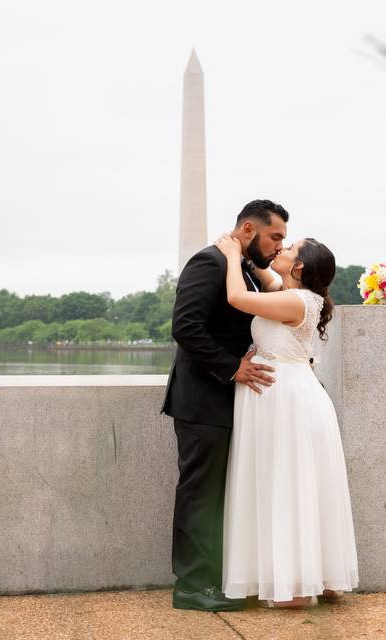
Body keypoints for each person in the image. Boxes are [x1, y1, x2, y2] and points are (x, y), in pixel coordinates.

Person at [214, 233, 359, 609]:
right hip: (285, 393)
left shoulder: (294, 300)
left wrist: (231, 254)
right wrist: (256, 257)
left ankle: (294, 584)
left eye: (289, 248)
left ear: (299, 267)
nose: (282, 248)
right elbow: (267, 278)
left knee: (286, 482)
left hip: (287, 399)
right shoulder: (295, 293)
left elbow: (237, 298)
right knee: (295, 484)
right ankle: (317, 575)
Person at [161, 199, 289, 612]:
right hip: (201, 400)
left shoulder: (244, 270)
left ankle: (211, 579)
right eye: (275, 236)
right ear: (249, 229)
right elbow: (185, 326)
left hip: (223, 402)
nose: (278, 246)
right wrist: (232, 368)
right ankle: (191, 587)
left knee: (216, 495)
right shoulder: (209, 262)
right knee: (200, 493)